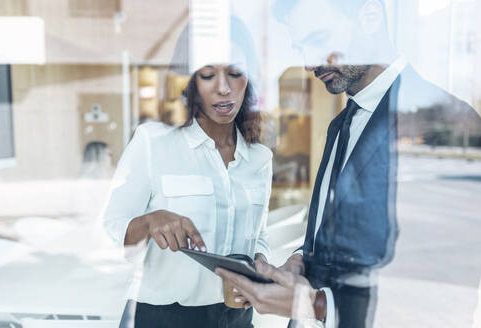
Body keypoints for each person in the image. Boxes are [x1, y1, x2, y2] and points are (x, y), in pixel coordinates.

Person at [217, 0, 481, 327]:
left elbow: (441, 287)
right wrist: (304, 261)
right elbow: (347, 233)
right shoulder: (342, 123)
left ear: (369, 16)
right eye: (302, 47)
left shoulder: (442, 121)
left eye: (319, 39)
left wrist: (314, 305)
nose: (309, 63)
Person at [102, 17, 272, 328]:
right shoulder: (153, 142)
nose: (223, 88)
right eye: (208, 74)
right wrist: (150, 221)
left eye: (235, 72)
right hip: (163, 317)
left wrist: (258, 265)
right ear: (191, 80)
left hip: (237, 318)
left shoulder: (260, 158)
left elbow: (259, 236)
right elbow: (112, 229)